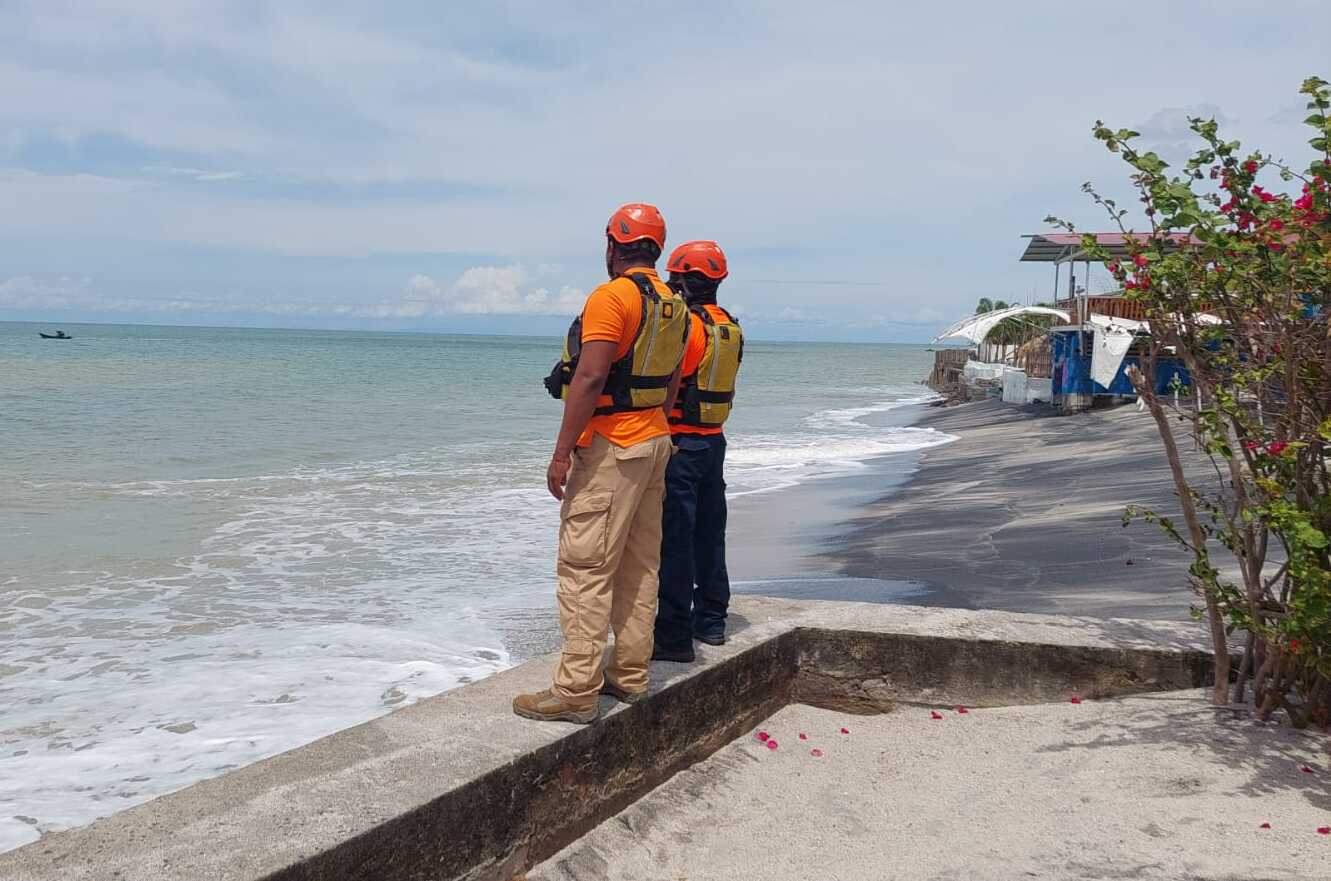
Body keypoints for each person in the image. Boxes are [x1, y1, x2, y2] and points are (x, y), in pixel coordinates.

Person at [514, 202, 690, 724]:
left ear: (613, 246)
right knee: (640, 566)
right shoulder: (673, 302)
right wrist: (655, 424)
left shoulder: (611, 297)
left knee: (586, 568)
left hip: (613, 448)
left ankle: (575, 692)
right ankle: (630, 675)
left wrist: (561, 452)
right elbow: (673, 381)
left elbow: (590, 378)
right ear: (655, 250)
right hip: (657, 441)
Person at [652, 240, 743, 662]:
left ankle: (672, 631)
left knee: (677, 539)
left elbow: (672, 382)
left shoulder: (688, 329)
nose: (671, 284)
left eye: (675, 278)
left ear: (689, 281)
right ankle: (712, 619)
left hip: (682, 444)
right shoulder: (729, 326)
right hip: (714, 439)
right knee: (711, 532)